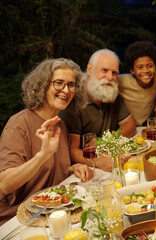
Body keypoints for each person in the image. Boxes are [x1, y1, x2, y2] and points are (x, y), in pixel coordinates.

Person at [0, 58, 94, 225]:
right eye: (59, 83)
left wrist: (73, 168)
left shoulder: (60, 125)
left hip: (53, 215)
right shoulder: (18, 125)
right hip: (17, 221)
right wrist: (42, 155)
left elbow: (53, 172)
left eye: (71, 85)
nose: (66, 90)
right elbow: (5, 184)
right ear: (42, 85)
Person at [60, 49, 136, 172]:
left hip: (110, 161)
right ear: (89, 70)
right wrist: (99, 161)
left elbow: (131, 125)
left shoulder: (110, 92)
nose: (110, 77)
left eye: (114, 73)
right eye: (104, 70)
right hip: (83, 169)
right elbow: (71, 151)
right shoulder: (73, 99)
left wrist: (105, 141)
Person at [118, 41, 156, 126]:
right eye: (140, 67)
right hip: (128, 126)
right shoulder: (121, 81)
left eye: (150, 66)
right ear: (132, 70)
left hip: (147, 125)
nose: (145, 71)